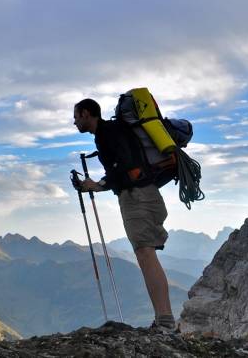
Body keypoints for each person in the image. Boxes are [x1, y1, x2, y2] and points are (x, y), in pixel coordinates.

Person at [73, 98, 176, 331]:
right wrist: (99, 184)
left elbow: (126, 166)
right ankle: (163, 319)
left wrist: (99, 184)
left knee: (145, 253)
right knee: (144, 254)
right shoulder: (108, 133)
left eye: (77, 116)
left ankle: (166, 320)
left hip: (138, 196)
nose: (75, 122)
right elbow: (122, 166)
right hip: (141, 194)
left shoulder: (108, 132)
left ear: (87, 113)